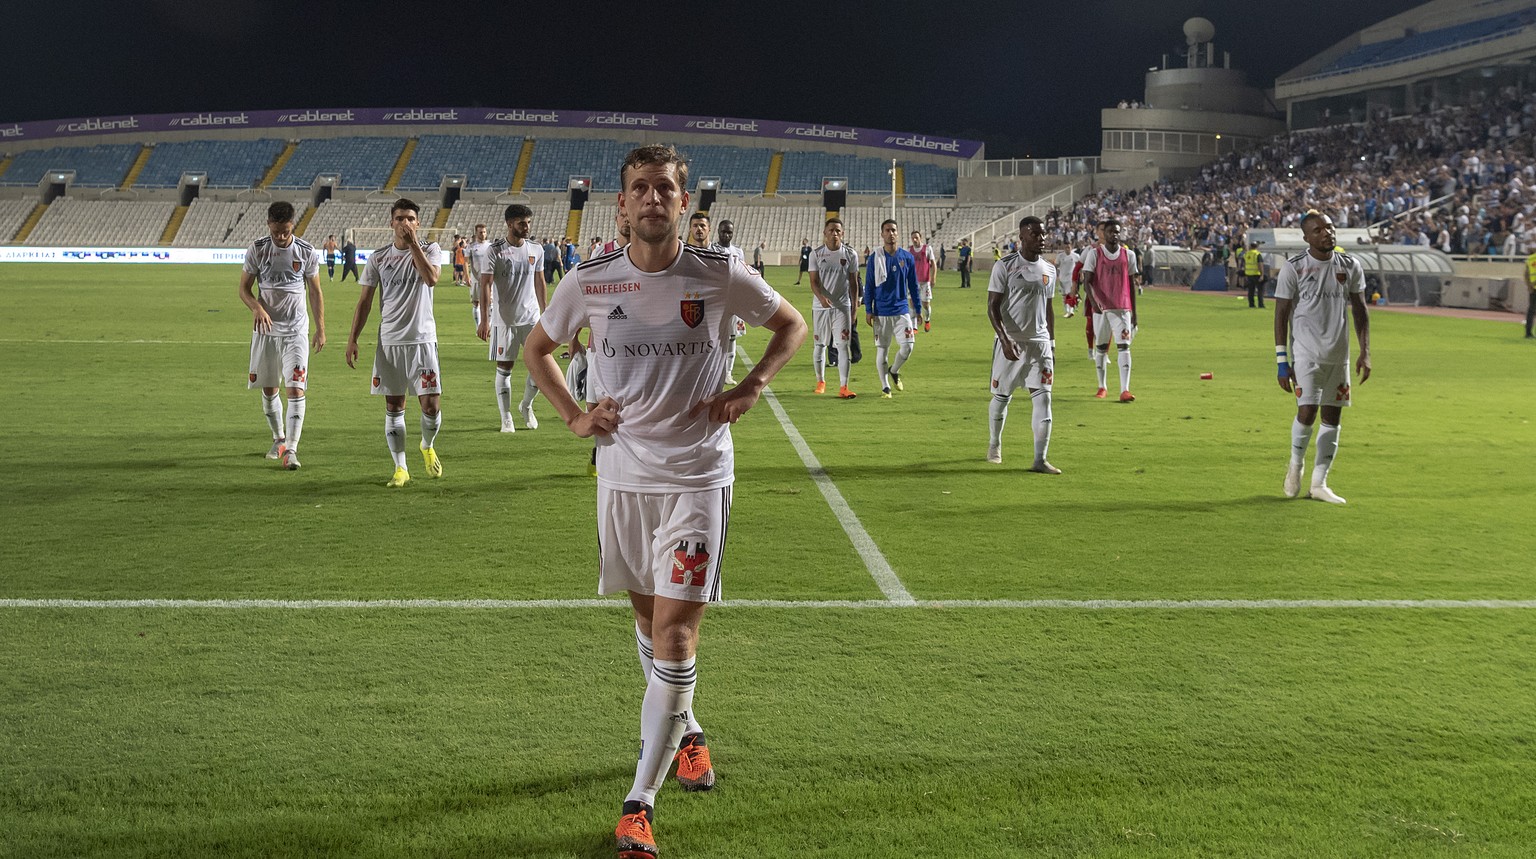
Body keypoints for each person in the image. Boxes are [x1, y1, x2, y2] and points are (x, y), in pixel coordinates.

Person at [522, 143, 806, 859]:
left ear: (684, 203)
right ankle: (689, 733)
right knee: (650, 629)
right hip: (621, 477)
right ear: (622, 204)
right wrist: (575, 417)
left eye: (664, 189)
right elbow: (538, 350)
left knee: (677, 637)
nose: (652, 198)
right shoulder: (589, 281)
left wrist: (752, 387)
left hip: (697, 477)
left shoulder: (719, 274)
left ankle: (637, 805)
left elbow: (792, 326)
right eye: (639, 188)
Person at [344, 198, 446, 488]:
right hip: (389, 342)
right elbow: (364, 302)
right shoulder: (378, 258)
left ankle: (426, 445)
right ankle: (400, 468)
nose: (405, 223)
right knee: (394, 405)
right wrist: (352, 339)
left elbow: (432, 279)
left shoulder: (430, 250)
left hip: (422, 340)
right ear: (391, 222)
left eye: (410, 218)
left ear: (418, 223)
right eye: (400, 218)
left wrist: (414, 245)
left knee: (431, 406)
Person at [1275, 210, 1372, 505]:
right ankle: (1295, 465)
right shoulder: (1294, 268)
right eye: (1318, 230)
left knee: (1333, 418)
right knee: (1307, 413)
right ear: (1307, 238)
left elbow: (1361, 311)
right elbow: (1280, 316)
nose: (1326, 233)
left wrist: (1365, 352)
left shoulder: (1351, 265)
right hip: (1305, 354)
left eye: (1329, 227)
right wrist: (1282, 361)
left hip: (1338, 356)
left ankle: (1319, 483)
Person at [238, 201, 324, 471]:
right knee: (269, 388)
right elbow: (243, 289)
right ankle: (278, 439)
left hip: (296, 331)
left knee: (296, 388)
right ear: (268, 225)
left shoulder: (306, 252)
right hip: (266, 331)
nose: (281, 237)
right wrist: (256, 307)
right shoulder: (258, 249)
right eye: (276, 232)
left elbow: (315, 292)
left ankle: (292, 450)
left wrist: (320, 328)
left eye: (285, 231)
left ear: (292, 226)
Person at [987, 216, 1059, 473]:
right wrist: (1004, 339)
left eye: (1043, 234)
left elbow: (1049, 309)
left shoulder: (1050, 269)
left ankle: (1040, 459)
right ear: (1022, 236)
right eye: (1036, 234)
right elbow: (992, 307)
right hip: (1011, 344)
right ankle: (995, 443)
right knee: (1002, 397)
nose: (1041, 239)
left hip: (1039, 345)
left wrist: (1051, 342)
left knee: (1044, 400)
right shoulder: (1004, 266)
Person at [477, 204, 547, 432]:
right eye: (521, 223)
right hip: (503, 320)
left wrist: (546, 313)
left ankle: (526, 405)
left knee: (540, 368)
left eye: (528, 222)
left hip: (531, 318)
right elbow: (485, 284)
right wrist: (485, 320)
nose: (526, 227)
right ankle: (505, 416)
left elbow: (540, 281)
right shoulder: (494, 250)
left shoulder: (536, 249)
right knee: (504, 368)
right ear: (509, 224)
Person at [1079, 219, 1139, 402]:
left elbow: (1131, 284)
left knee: (1124, 347)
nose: (1114, 235)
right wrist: (1093, 303)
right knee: (1101, 348)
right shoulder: (1094, 254)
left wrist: (1134, 312)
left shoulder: (1128, 255)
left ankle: (1125, 390)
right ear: (1103, 234)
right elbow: (1086, 282)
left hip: (1122, 308)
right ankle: (1102, 386)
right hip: (1101, 309)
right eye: (1111, 231)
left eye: (1117, 232)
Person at [864, 219, 921, 398]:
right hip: (881, 312)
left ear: (898, 233)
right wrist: (868, 309)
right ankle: (885, 387)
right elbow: (869, 285)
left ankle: (894, 370)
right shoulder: (875, 257)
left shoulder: (907, 257)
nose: (891, 233)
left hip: (902, 311)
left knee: (908, 347)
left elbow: (913, 285)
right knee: (883, 349)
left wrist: (918, 309)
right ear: (882, 234)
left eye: (894, 230)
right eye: (887, 230)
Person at [809, 217, 861, 398]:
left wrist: (854, 308)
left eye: (838, 231)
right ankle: (821, 381)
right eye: (831, 230)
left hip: (842, 307)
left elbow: (854, 284)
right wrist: (821, 298)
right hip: (820, 307)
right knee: (820, 345)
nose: (834, 234)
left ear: (843, 233)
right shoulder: (816, 254)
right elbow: (813, 282)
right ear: (825, 233)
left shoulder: (850, 254)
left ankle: (843, 387)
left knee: (843, 345)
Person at [717, 219, 747, 387]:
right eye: (724, 232)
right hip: (718, 301)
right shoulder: (712, 249)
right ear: (718, 232)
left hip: (734, 300)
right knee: (717, 337)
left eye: (729, 232)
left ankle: (728, 373)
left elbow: (742, 274)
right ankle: (717, 371)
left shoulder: (738, 251)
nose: (726, 235)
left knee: (732, 337)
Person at [910, 230, 937, 332]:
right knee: (912, 303)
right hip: (913, 282)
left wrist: (933, 277)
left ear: (920, 238)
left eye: (916, 237)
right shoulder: (910, 250)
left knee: (925, 305)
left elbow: (934, 264)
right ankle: (914, 326)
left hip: (925, 282)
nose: (915, 240)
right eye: (913, 238)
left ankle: (927, 320)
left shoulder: (927, 249)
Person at [466, 223, 490, 328]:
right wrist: (467, 276)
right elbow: (466, 262)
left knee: (491, 302)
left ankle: (488, 326)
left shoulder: (490, 246)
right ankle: (478, 326)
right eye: (480, 232)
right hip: (476, 278)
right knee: (476, 303)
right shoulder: (471, 246)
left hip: (489, 279)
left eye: (484, 232)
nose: (483, 234)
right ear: (476, 233)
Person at [1243, 242, 1267, 308]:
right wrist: (1262, 275)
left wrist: (1245, 274)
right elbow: (1260, 265)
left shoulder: (1246, 254)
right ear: (1257, 247)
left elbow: (1245, 264)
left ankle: (1251, 304)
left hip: (1249, 274)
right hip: (1256, 274)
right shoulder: (1257, 254)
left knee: (1251, 291)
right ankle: (1261, 304)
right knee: (1260, 291)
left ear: (1250, 246)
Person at [1524, 245, 1536, 338]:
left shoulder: (1530, 259)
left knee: (1531, 310)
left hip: (1533, 288)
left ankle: (1528, 333)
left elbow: (1526, 274)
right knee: (1531, 310)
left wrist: (1529, 286)